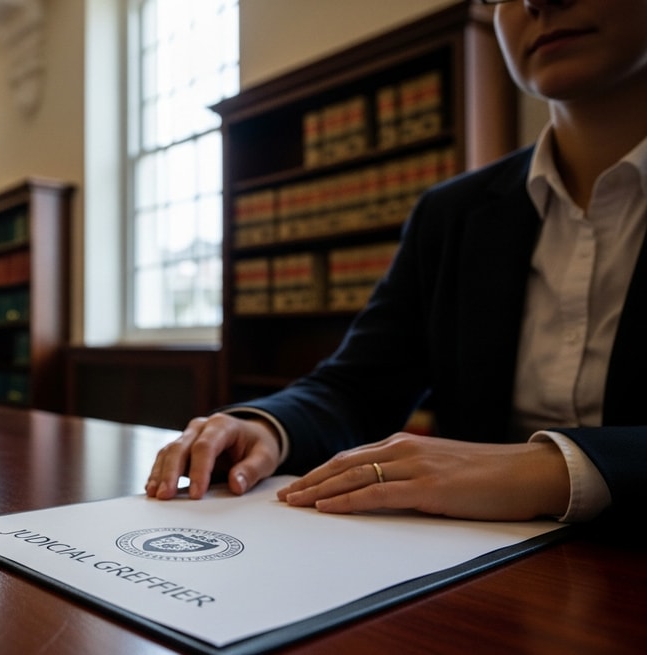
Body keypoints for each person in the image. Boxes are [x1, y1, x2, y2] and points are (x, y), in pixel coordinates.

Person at [145, 0, 647, 522]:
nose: (536, 2)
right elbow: (358, 387)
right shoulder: (452, 214)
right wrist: (267, 428)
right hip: (472, 567)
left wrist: (552, 470)